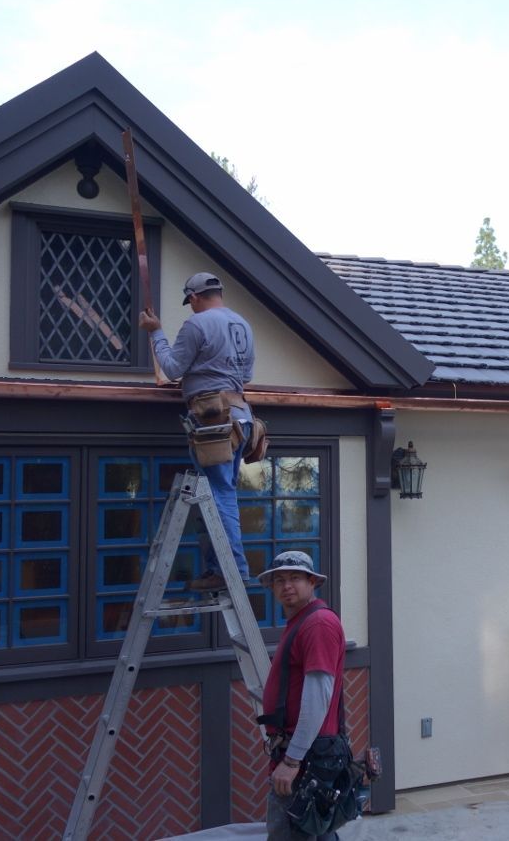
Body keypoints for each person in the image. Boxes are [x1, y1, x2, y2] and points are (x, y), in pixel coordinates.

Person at [139, 271, 255, 591]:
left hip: (213, 421)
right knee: (217, 493)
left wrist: (156, 332)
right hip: (240, 418)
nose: (190, 307)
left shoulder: (197, 324)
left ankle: (234, 570)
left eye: (189, 301)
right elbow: (245, 375)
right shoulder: (242, 324)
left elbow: (173, 369)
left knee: (219, 496)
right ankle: (217, 569)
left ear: (193, 297)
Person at [258, 550, 346, 841]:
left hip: (305, 758)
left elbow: (318, 696)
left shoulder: (317, 624)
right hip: (308, 753)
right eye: (279, 580)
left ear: (312, 583)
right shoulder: (302, 621)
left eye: (295, 577)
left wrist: (292, 761)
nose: (286, 586)